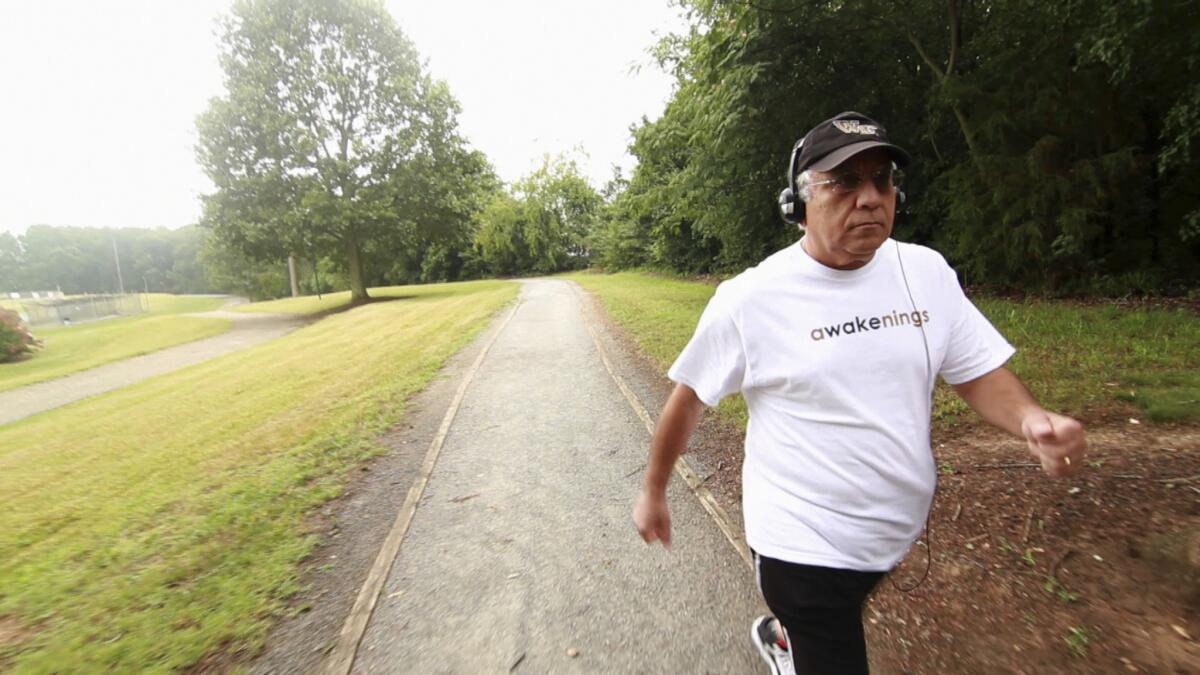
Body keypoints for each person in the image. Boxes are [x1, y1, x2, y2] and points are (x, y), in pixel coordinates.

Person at [632, 111, 1087, 675]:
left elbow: (972, 369)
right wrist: (654, 491)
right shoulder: (750, 300)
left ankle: (787, 635)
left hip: (891, 531)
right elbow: (689, 397)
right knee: (829, 635)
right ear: (798, 205)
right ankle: (795, 638)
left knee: (847, 602)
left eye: (881, 180)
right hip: (802, 545)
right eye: (845, 182)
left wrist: (1030, 421)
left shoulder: (925, 271)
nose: (870, 198)